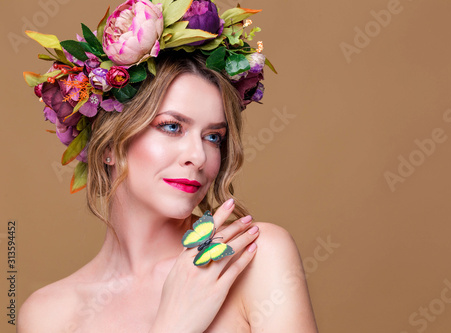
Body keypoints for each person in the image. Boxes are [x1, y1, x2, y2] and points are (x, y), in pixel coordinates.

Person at [18, 0, 317, 331]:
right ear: (111, 146)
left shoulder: (255, 258)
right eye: (172, 126)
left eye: (213, 137)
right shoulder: (47, 316)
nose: (199, 157)